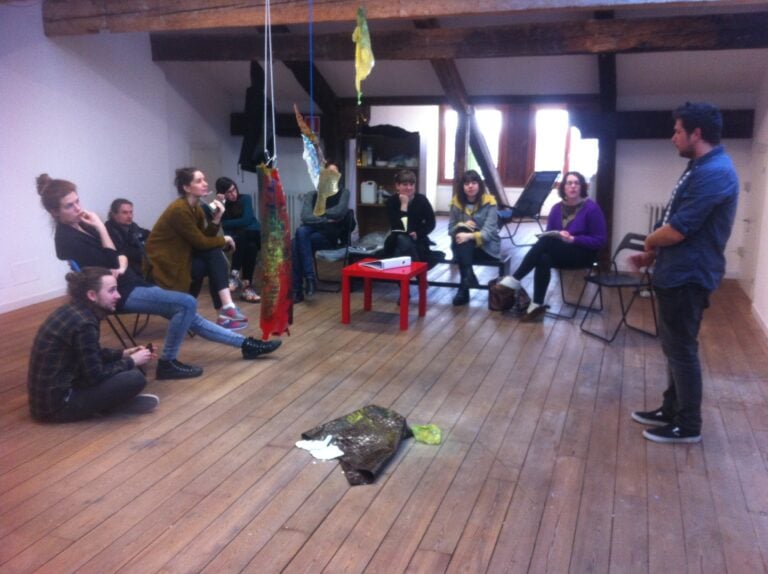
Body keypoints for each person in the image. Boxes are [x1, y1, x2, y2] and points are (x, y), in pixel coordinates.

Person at [36, 174, 281, 381]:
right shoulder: (67, 239)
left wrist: (117, 260)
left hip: (129, 281)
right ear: (54, 212)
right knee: (186, 303)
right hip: (116, 294)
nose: (78, 208)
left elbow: (120, 255)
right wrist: (103, 231)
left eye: (77, 201)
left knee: (188, 313)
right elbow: (113, 262)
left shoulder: (83, 225)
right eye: (70, 206)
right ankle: (168, 362)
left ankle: (246, 345)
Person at [629, 102, 738, 444]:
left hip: (688, 275)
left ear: (696, 133)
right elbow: (675, 215)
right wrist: (652, 253)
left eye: (678, 131)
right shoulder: (699, 165)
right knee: (674, 346)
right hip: (675, 272)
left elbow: (678, 229)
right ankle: (670, 408)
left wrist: (649, 240)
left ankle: (688, 425)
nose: (672, 137)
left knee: (681, 350)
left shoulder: (714, 172)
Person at [28, 266, 158, 422]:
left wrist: (122, 354)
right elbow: (95, 376)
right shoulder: (85, 323)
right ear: (92, 295)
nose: (118, 295)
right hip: (58, 407)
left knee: (122, 371)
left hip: (46, 401)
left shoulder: (73, 311)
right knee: (134, 378)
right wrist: (132, 361)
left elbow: (88, 354)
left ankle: (107, 403)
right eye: (112, 290)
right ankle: (108, 406)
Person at [494, 171, 607, 322]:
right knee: (543, 257)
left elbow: (600, 240)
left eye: (576, 183)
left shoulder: (592, 209)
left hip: (584, 255)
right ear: (563, 187)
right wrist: (559, 236)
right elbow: (550, 235)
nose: (572, 186)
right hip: (562, 254)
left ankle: (514, 280)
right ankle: (537, 305)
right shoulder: (556, 209)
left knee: (546, 243)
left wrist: (574, 239)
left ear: (582, 187)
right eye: (569, 183)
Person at [145, 167, 248, 329]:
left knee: (214, 257)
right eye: (199, 181)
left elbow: (203, 238)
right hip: (166, 268)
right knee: (214, 255)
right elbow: (201, 243)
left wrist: (217, 218)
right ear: (186, 187)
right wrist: (225, 238)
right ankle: (225, 310)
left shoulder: (196, 208)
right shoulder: (179, 210)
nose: (205, 184)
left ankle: (225, 312)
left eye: (204, 179)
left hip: (182, 260)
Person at [292, 165, 351, 303]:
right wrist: (326, 218)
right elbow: (305, 216)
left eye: (335, 173)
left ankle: (298, 290)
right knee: (300, 235)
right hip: (309, 232)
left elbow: (339, 212)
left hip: (329, 235)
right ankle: (309, 277)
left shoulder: (344, 193)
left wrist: (318, 214)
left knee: (296, 243)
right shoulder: (311, 195)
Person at [448, 170, 503, 306]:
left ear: (479, 185)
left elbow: (489, 232)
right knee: (460, 230)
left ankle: (464, 289)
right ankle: (468, 278)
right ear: (462, 186)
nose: (470, 186)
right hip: (464, 247)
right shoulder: (456, 203)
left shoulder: (490, 203)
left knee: (462, 240)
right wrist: (462, 225)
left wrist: (469, 235)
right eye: (466, 183)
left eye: (474, 182)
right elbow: (450, 229)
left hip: (486, 248)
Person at [214, 177, 262, 303]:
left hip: (254, 234)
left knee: (245, 234)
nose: (233, 194)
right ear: (222, 193)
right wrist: (219, 204)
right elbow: (220, 223)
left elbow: (246, 219)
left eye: (234, 189)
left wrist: (230, 223)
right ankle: (247, 287)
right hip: (238, 240)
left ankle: (234, 274)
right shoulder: (222, 206)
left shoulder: (245, 198)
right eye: (228, 192)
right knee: (250, 246)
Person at [384, 169, 436, 264]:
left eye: (411, 185)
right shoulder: (391, 202)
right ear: (397, 186)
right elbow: (399, 228)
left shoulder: (421, 200)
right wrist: (404, 205)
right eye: (405, 184)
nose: (409, 188)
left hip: (418, 239)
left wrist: (418, 233)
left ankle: (397, 275)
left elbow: (431, 223)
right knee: (402, 239)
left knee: (399, 253)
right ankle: (418, 269)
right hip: (397, 238)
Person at [105, 198, 151, 276]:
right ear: (114, 214)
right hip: (128, 273)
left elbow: (149, 235)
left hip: (143, 269)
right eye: (125, 213)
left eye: (131, 212)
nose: (130, 216)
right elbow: (124, 252)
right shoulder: (108, 231)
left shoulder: (133, 227)